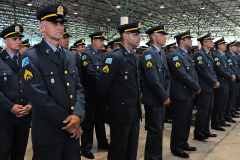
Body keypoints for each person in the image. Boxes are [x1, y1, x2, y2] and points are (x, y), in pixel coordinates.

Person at [21, 4, 85, 160]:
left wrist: (78, 115)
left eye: (61, 23)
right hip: (49, 133)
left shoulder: (69, 56)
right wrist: (71, 123)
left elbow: (78, 89)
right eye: (54, 23)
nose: (60, 27)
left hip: (72, 134)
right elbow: (39, 98)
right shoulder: (31, 57)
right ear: (42, 27)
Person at [99, 20, 142, 160]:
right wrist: (107, 109)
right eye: (135, 34)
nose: (139, 37)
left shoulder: (134, 56)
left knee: (131, 149)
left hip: (134, 111)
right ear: (125, 35)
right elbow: (103, 85)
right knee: (118, 149)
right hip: (120, 112)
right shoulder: (114, 56)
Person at [0, 24, 32, 160]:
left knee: (19, 152)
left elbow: (34, 85)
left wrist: (31, 104)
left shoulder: (28, 61)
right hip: (4, 117)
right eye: (14, 39)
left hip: (24, 116)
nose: (19, 41)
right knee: (3, 151)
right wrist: (10, 106)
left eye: (19, 38)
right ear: (5, 41)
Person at [168, 30, 201, 158]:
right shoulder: (176, 56)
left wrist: (195, 86)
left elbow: (193, 74)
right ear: (182, 41)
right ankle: (176, 147)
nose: (191, 41)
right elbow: (182, 74)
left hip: (188, 93)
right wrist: (196, 86)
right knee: (180, 122)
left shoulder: (186, 55)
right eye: (189, 39)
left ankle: (184, 142)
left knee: (186, 121)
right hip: (180, 93)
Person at [140, 24, 170, 160]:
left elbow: (166, 77)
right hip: (153, 99)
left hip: (161, 98)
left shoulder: (161, 54)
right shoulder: (149, 54)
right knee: (154, 130)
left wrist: (166, 93)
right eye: (162, 35)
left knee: (159, 129)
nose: (165, 37)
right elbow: (152, 79)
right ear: (153, 37)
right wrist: (164, 96)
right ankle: (151, 157)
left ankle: (156, 156)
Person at [80, 31, 109, 159]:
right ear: (94, 41)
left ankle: (102, 142)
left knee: (100, 120)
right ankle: (85, 148)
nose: (103, 43)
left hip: (100, 94)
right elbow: (92, 74)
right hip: (90, 95)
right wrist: (106, 83)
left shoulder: (102, 56)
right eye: (100, 40)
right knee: (88, 123)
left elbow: (106, 72)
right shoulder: (87, 55)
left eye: (103, 41)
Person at [193, 34, 219, 141]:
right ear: (204, 43)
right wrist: (214, 81)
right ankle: (198, 132)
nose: (212, 42)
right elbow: (203, 71)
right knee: (203, 110)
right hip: (204, 86)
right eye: (210, 41)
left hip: (210, 86)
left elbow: (212, 71)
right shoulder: (200, 54)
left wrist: (214, 81)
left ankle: (205, 130)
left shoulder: (208, 54)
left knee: (209, 109)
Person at [211, 37, 235, 131]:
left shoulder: (223, 55)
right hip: (221, 83)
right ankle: (216, 123)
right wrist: (230, 76)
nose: (225, 46)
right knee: (219, 104)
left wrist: (231, 75)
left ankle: (221, 120)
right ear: (219, 46)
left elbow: (228, 68)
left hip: (226, 82)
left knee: (223, 103)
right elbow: (220, 70)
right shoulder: (216, 56)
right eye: (224, 44)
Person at [225, 41, 240, 122]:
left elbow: (237, 69)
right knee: (230, 99)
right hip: (233, 80)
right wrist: (238, 77)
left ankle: (231, 112)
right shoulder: (229, 56)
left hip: (236, 79)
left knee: (234, 97)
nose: (236, 47)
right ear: (230, 47)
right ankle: (228, 114)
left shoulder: (233, 56)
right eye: (234, 46)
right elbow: (232, 69)